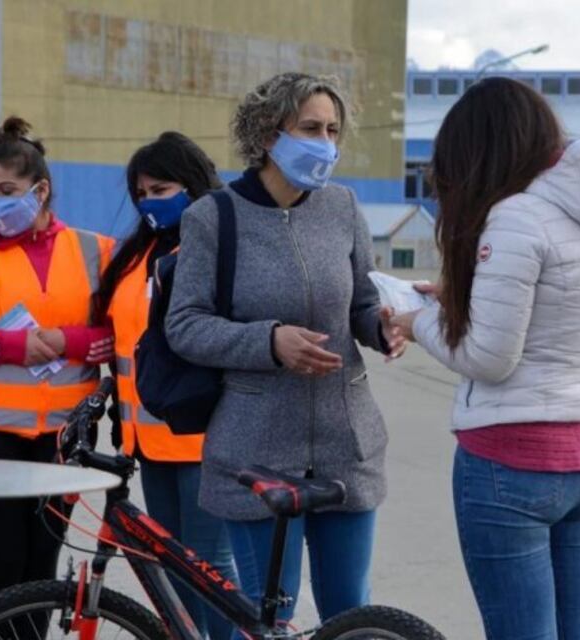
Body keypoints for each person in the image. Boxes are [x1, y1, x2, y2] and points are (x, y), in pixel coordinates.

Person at [390, 77, 580, 639]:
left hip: (510, 463)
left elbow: (488, 358)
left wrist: (418, 322)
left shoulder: (516, 216)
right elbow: (556, 320)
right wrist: (461, 299)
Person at [165, 72, 406, 627]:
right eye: (311, 129)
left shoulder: (343, 207)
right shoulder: (213, 218)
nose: (325, 143)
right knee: (269, 615)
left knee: (352, 614)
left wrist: (385, 326)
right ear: (270, 135)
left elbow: (363, 303)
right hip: (256, 452)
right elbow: (185, 325)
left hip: (348, 444)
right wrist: (269, 342)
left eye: (333, 131)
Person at [0, 116, 116, 606]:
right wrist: (14, 347)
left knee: (41, 565)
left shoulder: (94, 251)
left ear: (40, 191)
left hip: (66, 432)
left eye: (7, 189)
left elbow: (118, 331)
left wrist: (67, 340)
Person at [92, 132, 237, 639]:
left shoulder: (217, 248)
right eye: (143, 193)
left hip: (202, 440)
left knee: (210, 570)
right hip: (148, 441)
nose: (150, 202)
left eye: (161, 189)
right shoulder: (137, 256)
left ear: (194, 186)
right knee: (175, 573)